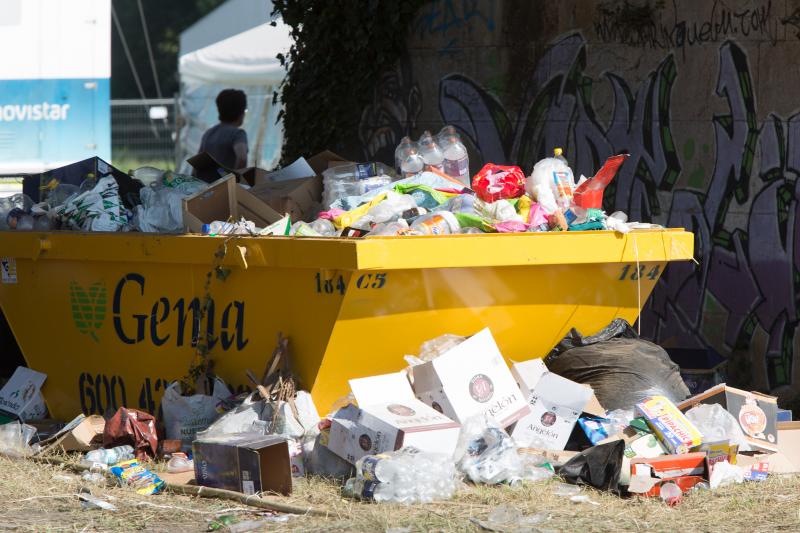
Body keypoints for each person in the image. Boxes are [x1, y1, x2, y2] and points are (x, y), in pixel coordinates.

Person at [197, 89, 249, 171]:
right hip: (227, 183)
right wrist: (235, 180)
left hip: (208, 183)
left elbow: (197, 165)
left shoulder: (208, 134)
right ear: (241, 113)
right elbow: (242, 157)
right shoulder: (238, 134)